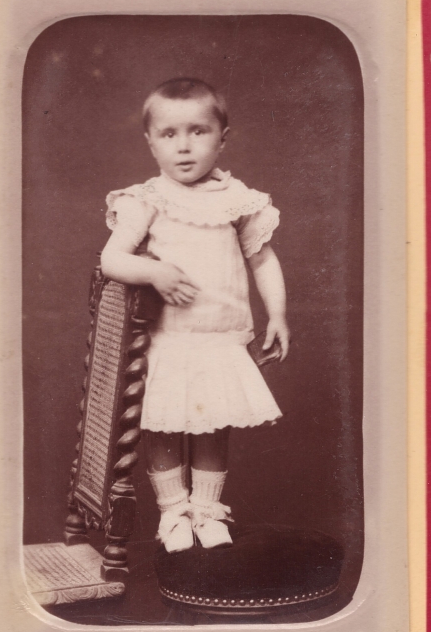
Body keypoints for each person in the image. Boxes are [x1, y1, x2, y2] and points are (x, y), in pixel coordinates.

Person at [101, 77, 290, 553]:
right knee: (164, 423)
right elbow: (113, 259)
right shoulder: (146, 199)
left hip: (220, 338)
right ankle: (173, 513)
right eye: (169, 134)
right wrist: (155, 271)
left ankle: (206, 511)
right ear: (150, 142)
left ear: (222, 137)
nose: (184, 146)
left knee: (212, 425)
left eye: (198, 132)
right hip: (169, 339)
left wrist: (279, 316)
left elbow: (262, 258)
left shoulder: (237, 200)